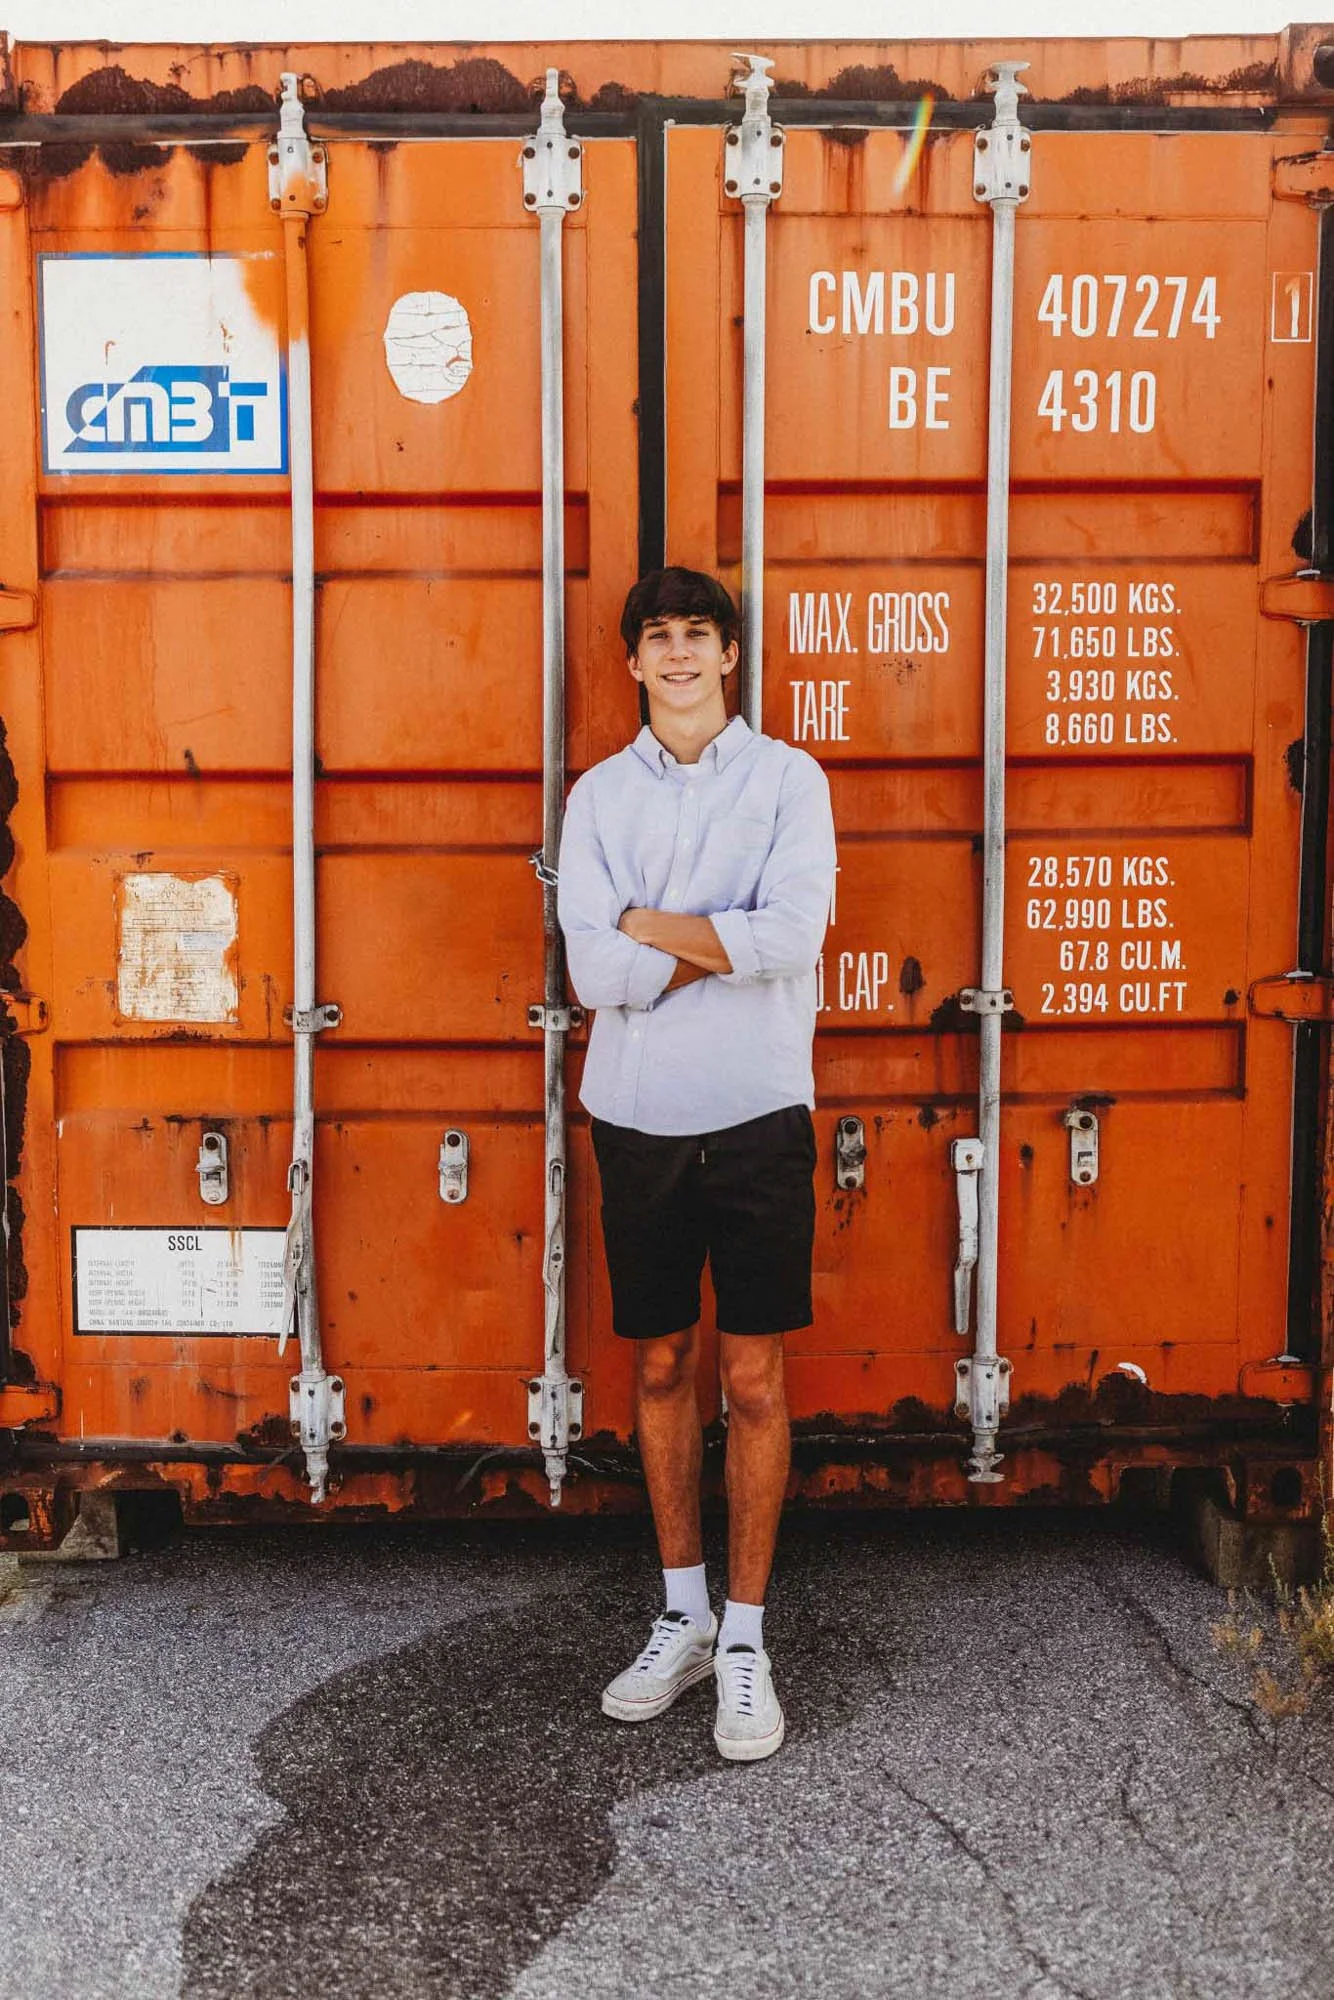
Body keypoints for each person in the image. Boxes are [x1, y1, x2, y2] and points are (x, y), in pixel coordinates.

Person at [556, 566, 837, 1763]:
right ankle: (679, 1611)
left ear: (730, 655)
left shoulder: (788, 781)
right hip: (637, 1113)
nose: (678, 654)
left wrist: (647, 925)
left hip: (760, 1108)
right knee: (663, 1361)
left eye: (699, 635)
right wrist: (715, 937)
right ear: (631, 661)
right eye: (657, 637)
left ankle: (745, 1639)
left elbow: (793, 935)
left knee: (755, 1376)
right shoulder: (596, 798)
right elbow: (590, 978)